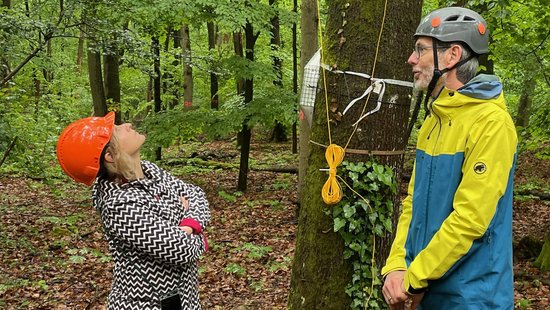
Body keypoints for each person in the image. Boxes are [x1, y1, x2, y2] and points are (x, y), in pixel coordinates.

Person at [381, 7, 517, 310]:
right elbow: (412, 203)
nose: (411, 59)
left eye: (421, 49)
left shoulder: (491, 123)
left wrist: (414, 279)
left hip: (473, 298)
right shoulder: (435, 119)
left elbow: (471, 220)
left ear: (452, 55)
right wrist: (397, 266)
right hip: (426, 291)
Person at [56, 111, 210, 310]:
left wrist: (188, 227)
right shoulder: (119, 205)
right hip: (145, 305)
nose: (127, 124)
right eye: (117, 130)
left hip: (185, 298)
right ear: (110, 155)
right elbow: (181, 250)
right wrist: (200, 236)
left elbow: (197, 194)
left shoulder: (150, 170)